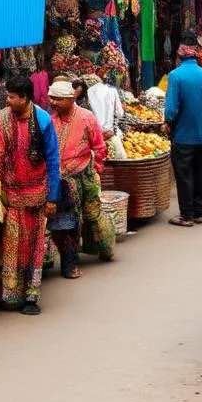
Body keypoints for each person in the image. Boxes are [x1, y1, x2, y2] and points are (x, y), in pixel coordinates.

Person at [0, 76, 61, 315]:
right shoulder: (1, 119)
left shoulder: (43, 120)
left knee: (34, 245)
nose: (7, 101)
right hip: (12, 194)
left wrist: (52, 197)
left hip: (37, 195)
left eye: (11, 97)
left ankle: (32, 295)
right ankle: (11, 294)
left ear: (24, 98)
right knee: (12, 245)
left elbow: (53, 160)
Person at [47, 80, 114, 278]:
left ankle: (105, 247)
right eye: (52, 98)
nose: (54, 102)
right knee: (66, 222)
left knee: (93, 216)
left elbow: (99, 147)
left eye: (58, 99)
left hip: (84, 175)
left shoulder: (86, 118)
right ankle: (69, 262)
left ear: (70, 99)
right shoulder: (50, 121)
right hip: (60, 181)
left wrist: (97, 170)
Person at [164, 33, 202, 227]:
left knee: (184, 174)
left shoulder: (175, 76)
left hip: (183, 134)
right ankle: (198, 211)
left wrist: (168, 122)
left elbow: (171, 109)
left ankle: (187, 215)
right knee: (201, 171)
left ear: (180, 53)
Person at [82, 72, 124, 139]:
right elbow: (119, 114)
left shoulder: (88, 94)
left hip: (94, 134)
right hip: (110, 133)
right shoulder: (112, 90)